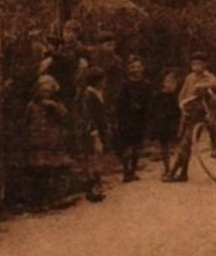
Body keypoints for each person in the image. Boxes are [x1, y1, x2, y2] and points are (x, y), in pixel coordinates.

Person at [165, 52, 216, 183]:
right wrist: (182, 105)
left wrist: (201, 86)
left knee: (186, 143)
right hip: (189, 112)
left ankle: (173, 172)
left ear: (205, 65)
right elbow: (183, 93)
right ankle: (183, 173)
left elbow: (214, 84)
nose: (196, 67)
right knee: (185, 142)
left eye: (199, 64)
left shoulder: (208, 77)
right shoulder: (189, 77)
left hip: (202, 112)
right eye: (193, 64)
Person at [23, 74, 72, 207]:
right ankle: (40, 200)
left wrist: (55, 107)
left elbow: (65, 117)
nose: (45, 94)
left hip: (53, 142)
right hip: (38, 143)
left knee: (56, 169)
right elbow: (26, 122)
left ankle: (56, 197)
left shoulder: (56, 105)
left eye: (48, 91)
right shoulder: (32, 106)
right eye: (42, 90)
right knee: (40, 172)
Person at [115, 55, 154, 182]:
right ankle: (126, 171)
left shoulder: (146, 85)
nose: (136, 70)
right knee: (125, 146)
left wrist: (144, 111)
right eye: (133, 67)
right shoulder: (125, 85)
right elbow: (120, 102)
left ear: (142, 68)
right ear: (129, 70)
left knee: (136, 146)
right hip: (126, 119)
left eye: (138, 67)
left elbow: (149, 102)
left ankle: (133, 170)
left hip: (140, 119)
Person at [77, 67, 110, 202]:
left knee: (97, 158)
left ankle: (96, 188)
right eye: (102, 80)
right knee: (92, 159)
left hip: (99, 131)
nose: (104, 82)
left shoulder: (97, 93)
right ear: (96, 81)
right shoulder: (89, 95)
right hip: (92, 132)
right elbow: (88, 116)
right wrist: (94, 132)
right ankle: (92, 190)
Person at [149, 68, 182, 175]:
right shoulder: (158, 96)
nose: (171, 84)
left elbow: (179, 110)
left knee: (179, 145)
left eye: (174, 81)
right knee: (165, 147)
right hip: (163, 123)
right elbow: (153, 110)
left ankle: (177, 167)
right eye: (168, 81)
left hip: (174, 123)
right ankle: (167, 168)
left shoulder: (177, 96)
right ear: (163, 83)